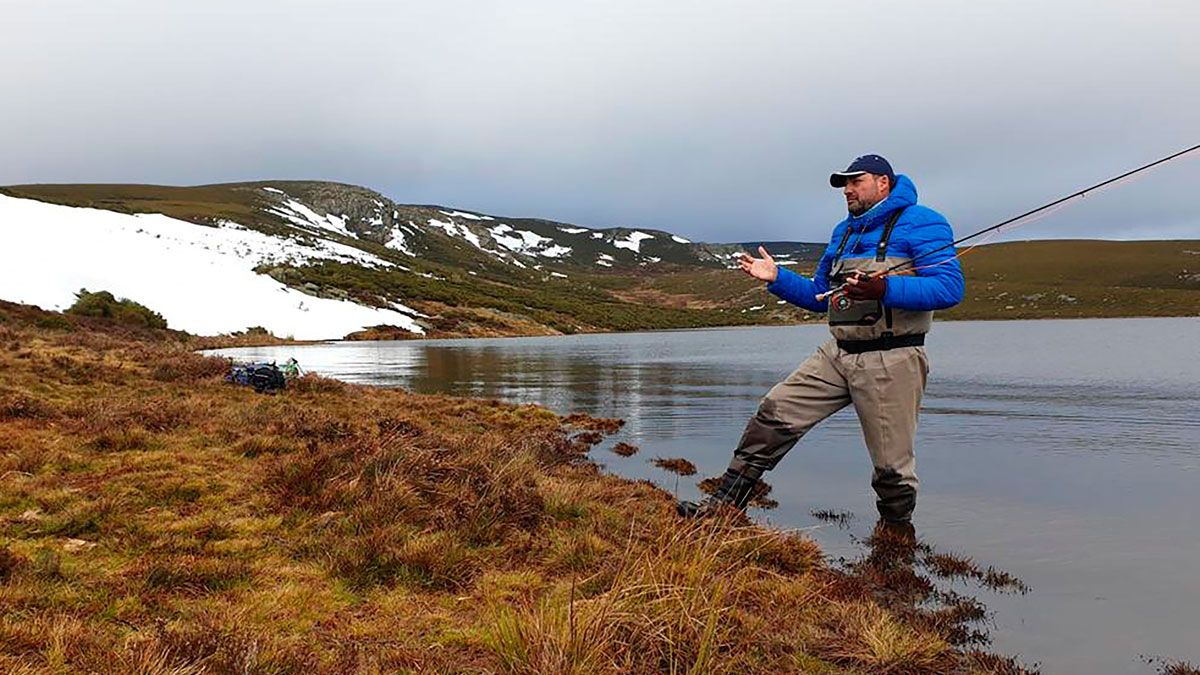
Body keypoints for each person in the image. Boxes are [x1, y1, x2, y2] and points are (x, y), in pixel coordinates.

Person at [677, 154, 964, 524]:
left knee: (891, 466)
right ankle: (723, 508)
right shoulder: (843, 232)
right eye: (844, 184)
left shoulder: (923, 222)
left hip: (891, 359)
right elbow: (817, 297)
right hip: (837, 353)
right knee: (774, 413)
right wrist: (776, 278)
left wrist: (884, 288)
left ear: (883, 183)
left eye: (855, 181)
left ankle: (895, 546)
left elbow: (949, 288)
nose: (847, 190)